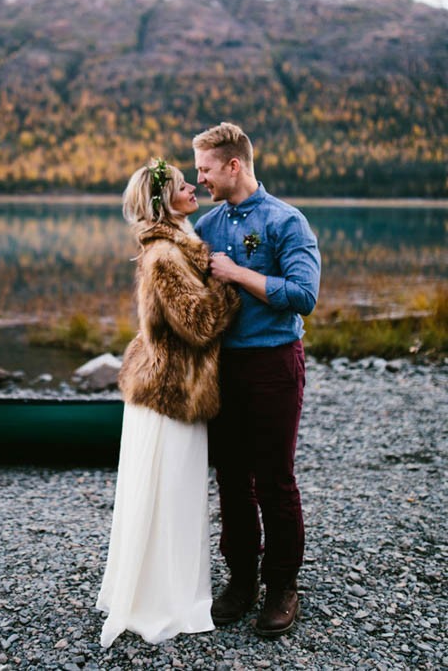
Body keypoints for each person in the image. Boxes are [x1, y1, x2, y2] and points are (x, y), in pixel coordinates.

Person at [96, 158, 240, 648]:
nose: (193, 188)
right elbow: (198, 324)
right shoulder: (163, 255)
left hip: (173, 388)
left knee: (171, 494)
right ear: (164, 201)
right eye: (182, 185)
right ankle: (163, 600)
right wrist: (228, 282)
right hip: (170, 393)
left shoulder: (181, 244)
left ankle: (168, 587)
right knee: (168, 495)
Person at [192, 122, 321, 638]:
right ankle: (240, 581)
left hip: (273, 364)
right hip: (222, 369)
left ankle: (282, 587)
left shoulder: (287, 222)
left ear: (233, 166)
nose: (198, 177)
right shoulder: (205, 225)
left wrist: (239, 273)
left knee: (274, 478)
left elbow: (304, 296)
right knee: (230, 480)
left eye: (204, 169)